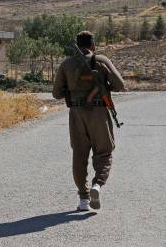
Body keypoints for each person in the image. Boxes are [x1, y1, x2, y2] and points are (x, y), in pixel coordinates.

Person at [53, 31, 125, 211]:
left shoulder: (67, 64)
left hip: (76, 114)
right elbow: (120, 85)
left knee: (79, 155)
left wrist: (72, 88)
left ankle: (83, 199)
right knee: (104, 152)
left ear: (77, 44)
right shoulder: (101, 61)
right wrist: (102, 85)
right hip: (99, 112)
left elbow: (56, 94)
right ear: (93, 46)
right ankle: (97, 186)